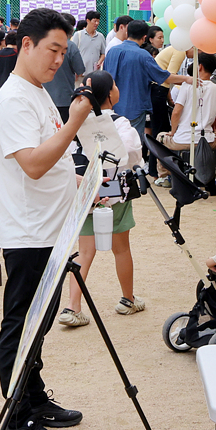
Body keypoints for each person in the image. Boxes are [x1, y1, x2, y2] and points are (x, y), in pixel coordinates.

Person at [0, 7, 93, 430]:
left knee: (41, 322)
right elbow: (32, 164)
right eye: (53, 50)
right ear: (25, 45)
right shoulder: (13, 98)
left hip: (50, 229)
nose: (58, 60)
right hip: (30, 233)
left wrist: (84, 187)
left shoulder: (36, 92)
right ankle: (16, 422)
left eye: (63, 52)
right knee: (23, 324)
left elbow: (53, 162)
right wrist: (74, 122)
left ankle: (32, 397)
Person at [59, 70, 146, 328]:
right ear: (110, 94)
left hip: (83, 190)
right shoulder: (119, 122)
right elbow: (131, 154)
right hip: (113, 191)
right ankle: (128, 299)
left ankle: (73, 307)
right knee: (121, 247)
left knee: (84, 251)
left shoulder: (76, 122)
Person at [103, 19, 187, 136]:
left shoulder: (112, 51)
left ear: (127, 33)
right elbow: (164, 77)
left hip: (112, 106)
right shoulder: (143, 55)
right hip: (134, 107)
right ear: (144, 37)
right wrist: (186, 79)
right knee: (133, 142)